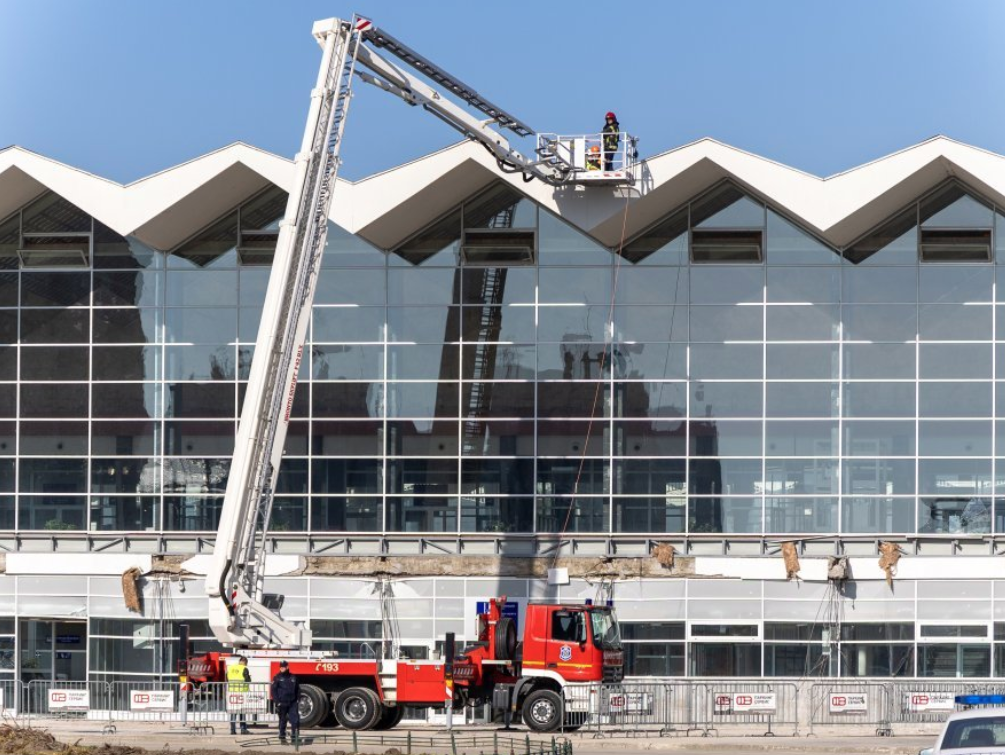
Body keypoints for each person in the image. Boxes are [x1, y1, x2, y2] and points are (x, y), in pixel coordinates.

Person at [271, 660, 301, 744]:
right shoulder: (277, 677)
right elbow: (273, 690)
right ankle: (282, 736)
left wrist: (298, 699)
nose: (282, 669)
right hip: (282, 702)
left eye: (283, 667)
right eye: (280, 667)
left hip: (292, 702)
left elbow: (298, 689)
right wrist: (277, 702)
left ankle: (294, 737)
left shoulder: (293, 677)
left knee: (295, 720)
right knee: (283, 720)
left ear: (287, 667)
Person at [227, 655, 251, 736]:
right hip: (241, 693)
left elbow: (227, 679)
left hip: (232, 693)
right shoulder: (244, 668)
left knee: (233, 712)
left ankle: (232, 730)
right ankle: (243, 729)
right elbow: (248, 680)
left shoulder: (231, 668)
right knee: (242, 712)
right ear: (245, 662)